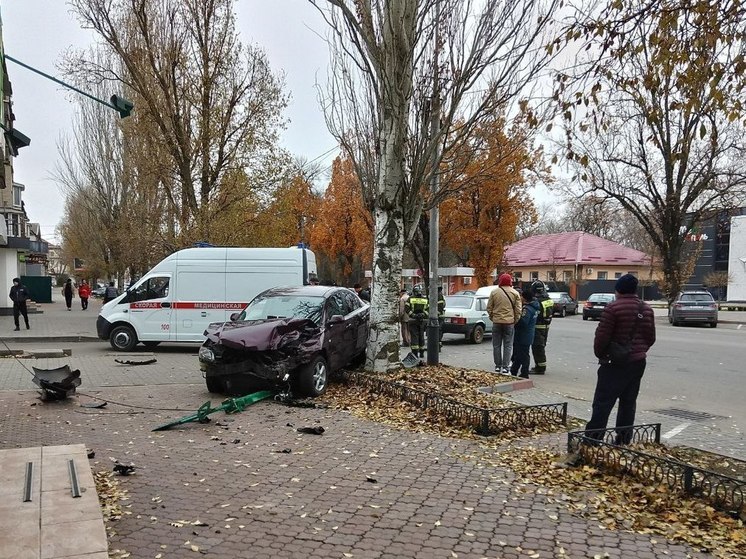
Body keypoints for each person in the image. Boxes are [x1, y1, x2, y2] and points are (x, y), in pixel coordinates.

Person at [586, 273, 656, 444]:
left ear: (618, 289)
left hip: (614, 363)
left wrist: (602, 354)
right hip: (638, 362)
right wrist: (638, 351)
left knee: (603, 403)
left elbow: (601, 337)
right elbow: (650, 337)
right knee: (628, 402)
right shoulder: (646, 309)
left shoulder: (613, 308)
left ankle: (593, 440)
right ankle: (623, 440)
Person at [487, 273, 521, 375]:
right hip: (509, 323)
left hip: (497, 322)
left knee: (496, 345)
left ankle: (498, 366)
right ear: (510, 281)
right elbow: (518, 309)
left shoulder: (494, 292)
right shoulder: (515, 293)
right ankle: (506, 367)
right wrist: (515, 320)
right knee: (508, 345)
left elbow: (489, 307)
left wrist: (493, 318)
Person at [510, 288, 539, 378]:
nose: (520, 298)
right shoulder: (534, 307)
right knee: (519, 354)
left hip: (523, 335)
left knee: (524, 355)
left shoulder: (527, 309)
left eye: (521, 296)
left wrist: (515, 321)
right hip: (528, 335)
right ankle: (513, 371)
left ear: (525, 298)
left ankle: (524, 373)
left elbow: (523, 322)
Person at [530, 280, 554, 374]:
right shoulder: (548, 299)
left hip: (538, 327)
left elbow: (535, 314)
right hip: (546, 326)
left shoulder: (537, 301)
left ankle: (540, 368)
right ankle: (539, 366)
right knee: (541, 346)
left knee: (537, 348)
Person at [405, 285, 428, 358]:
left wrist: (414, 315)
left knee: (414, 336)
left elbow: (407, 308)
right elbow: (428, 309)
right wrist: (422, 315)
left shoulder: (410, 299)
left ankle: (415, 353)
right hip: (423, 321)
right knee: (421, 336)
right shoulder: (425, 299)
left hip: (413, 320)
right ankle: (422, 352)